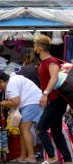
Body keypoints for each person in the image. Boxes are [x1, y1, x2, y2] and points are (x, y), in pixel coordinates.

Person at [34, 35, 72, 164]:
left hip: (56, 100)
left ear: (39, 47)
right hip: (54, 100)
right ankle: (67, 159)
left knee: (40, 128)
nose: (34, 48)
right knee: (56, 133)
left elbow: (54, 78)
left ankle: (51, 156)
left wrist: (45, 93)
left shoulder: (51, 61)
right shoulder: (45, 62)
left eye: (35, 46)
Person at [0, 71, 43, 163]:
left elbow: (15, 102)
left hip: (32, 102)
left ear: (1, 81)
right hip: (32, 102)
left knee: (24, 129)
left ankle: (31, 157)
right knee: (22, 129)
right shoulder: (13, 80)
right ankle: (22, 156)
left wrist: (1, 103)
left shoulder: (11, 84)